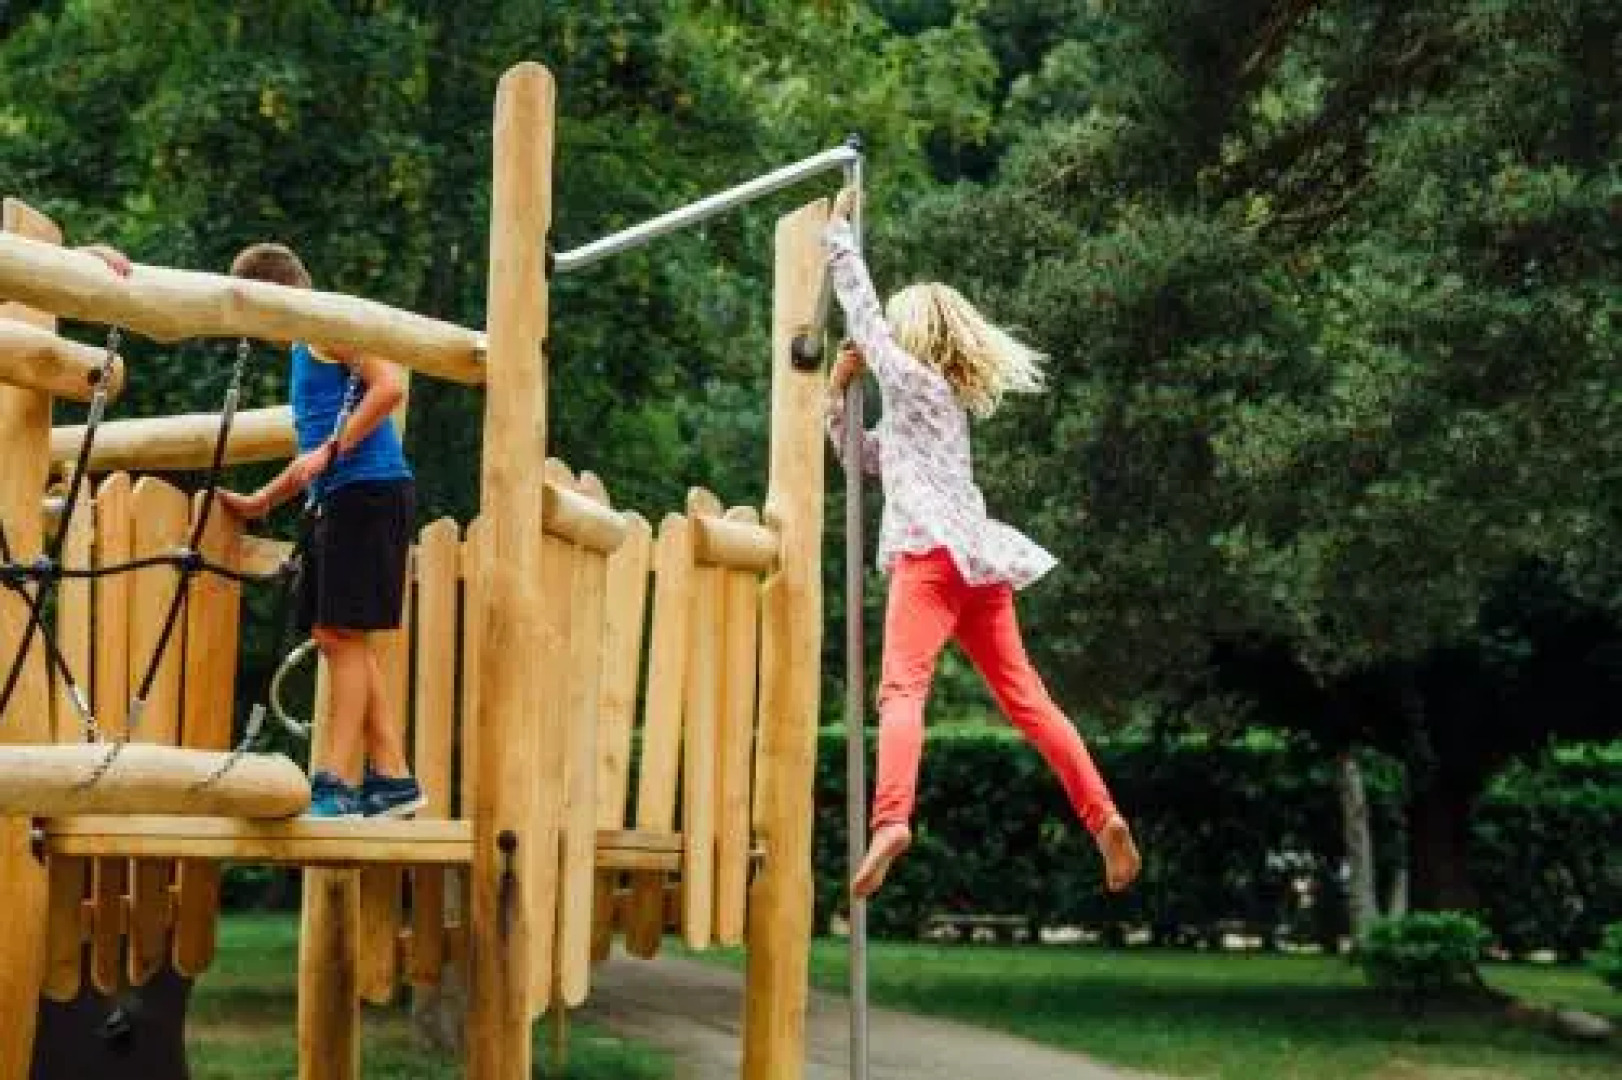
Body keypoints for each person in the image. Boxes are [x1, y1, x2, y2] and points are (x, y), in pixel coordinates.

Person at [822, 186, 1141, 899]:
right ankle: (1103, 818)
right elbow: (863, 460)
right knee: (1029, 699)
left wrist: (838, 234)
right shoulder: (934, 408)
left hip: (930, 560)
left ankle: (891, 820)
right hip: (977, 564)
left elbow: (866, 322)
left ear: (911, 338)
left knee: (902, 690)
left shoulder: (913, 379)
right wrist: (836, 398)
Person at [217, 242, 423, 820]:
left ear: (275, 295)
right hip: (342, 496)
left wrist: (333, 448)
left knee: (338, 634)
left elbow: (389, 386)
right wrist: (262, 501)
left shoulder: (326, 328)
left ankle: (332, 780)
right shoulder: (303, 352)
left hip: (369, 492)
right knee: (341, 638)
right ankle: (393, 778)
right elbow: (312, 455)